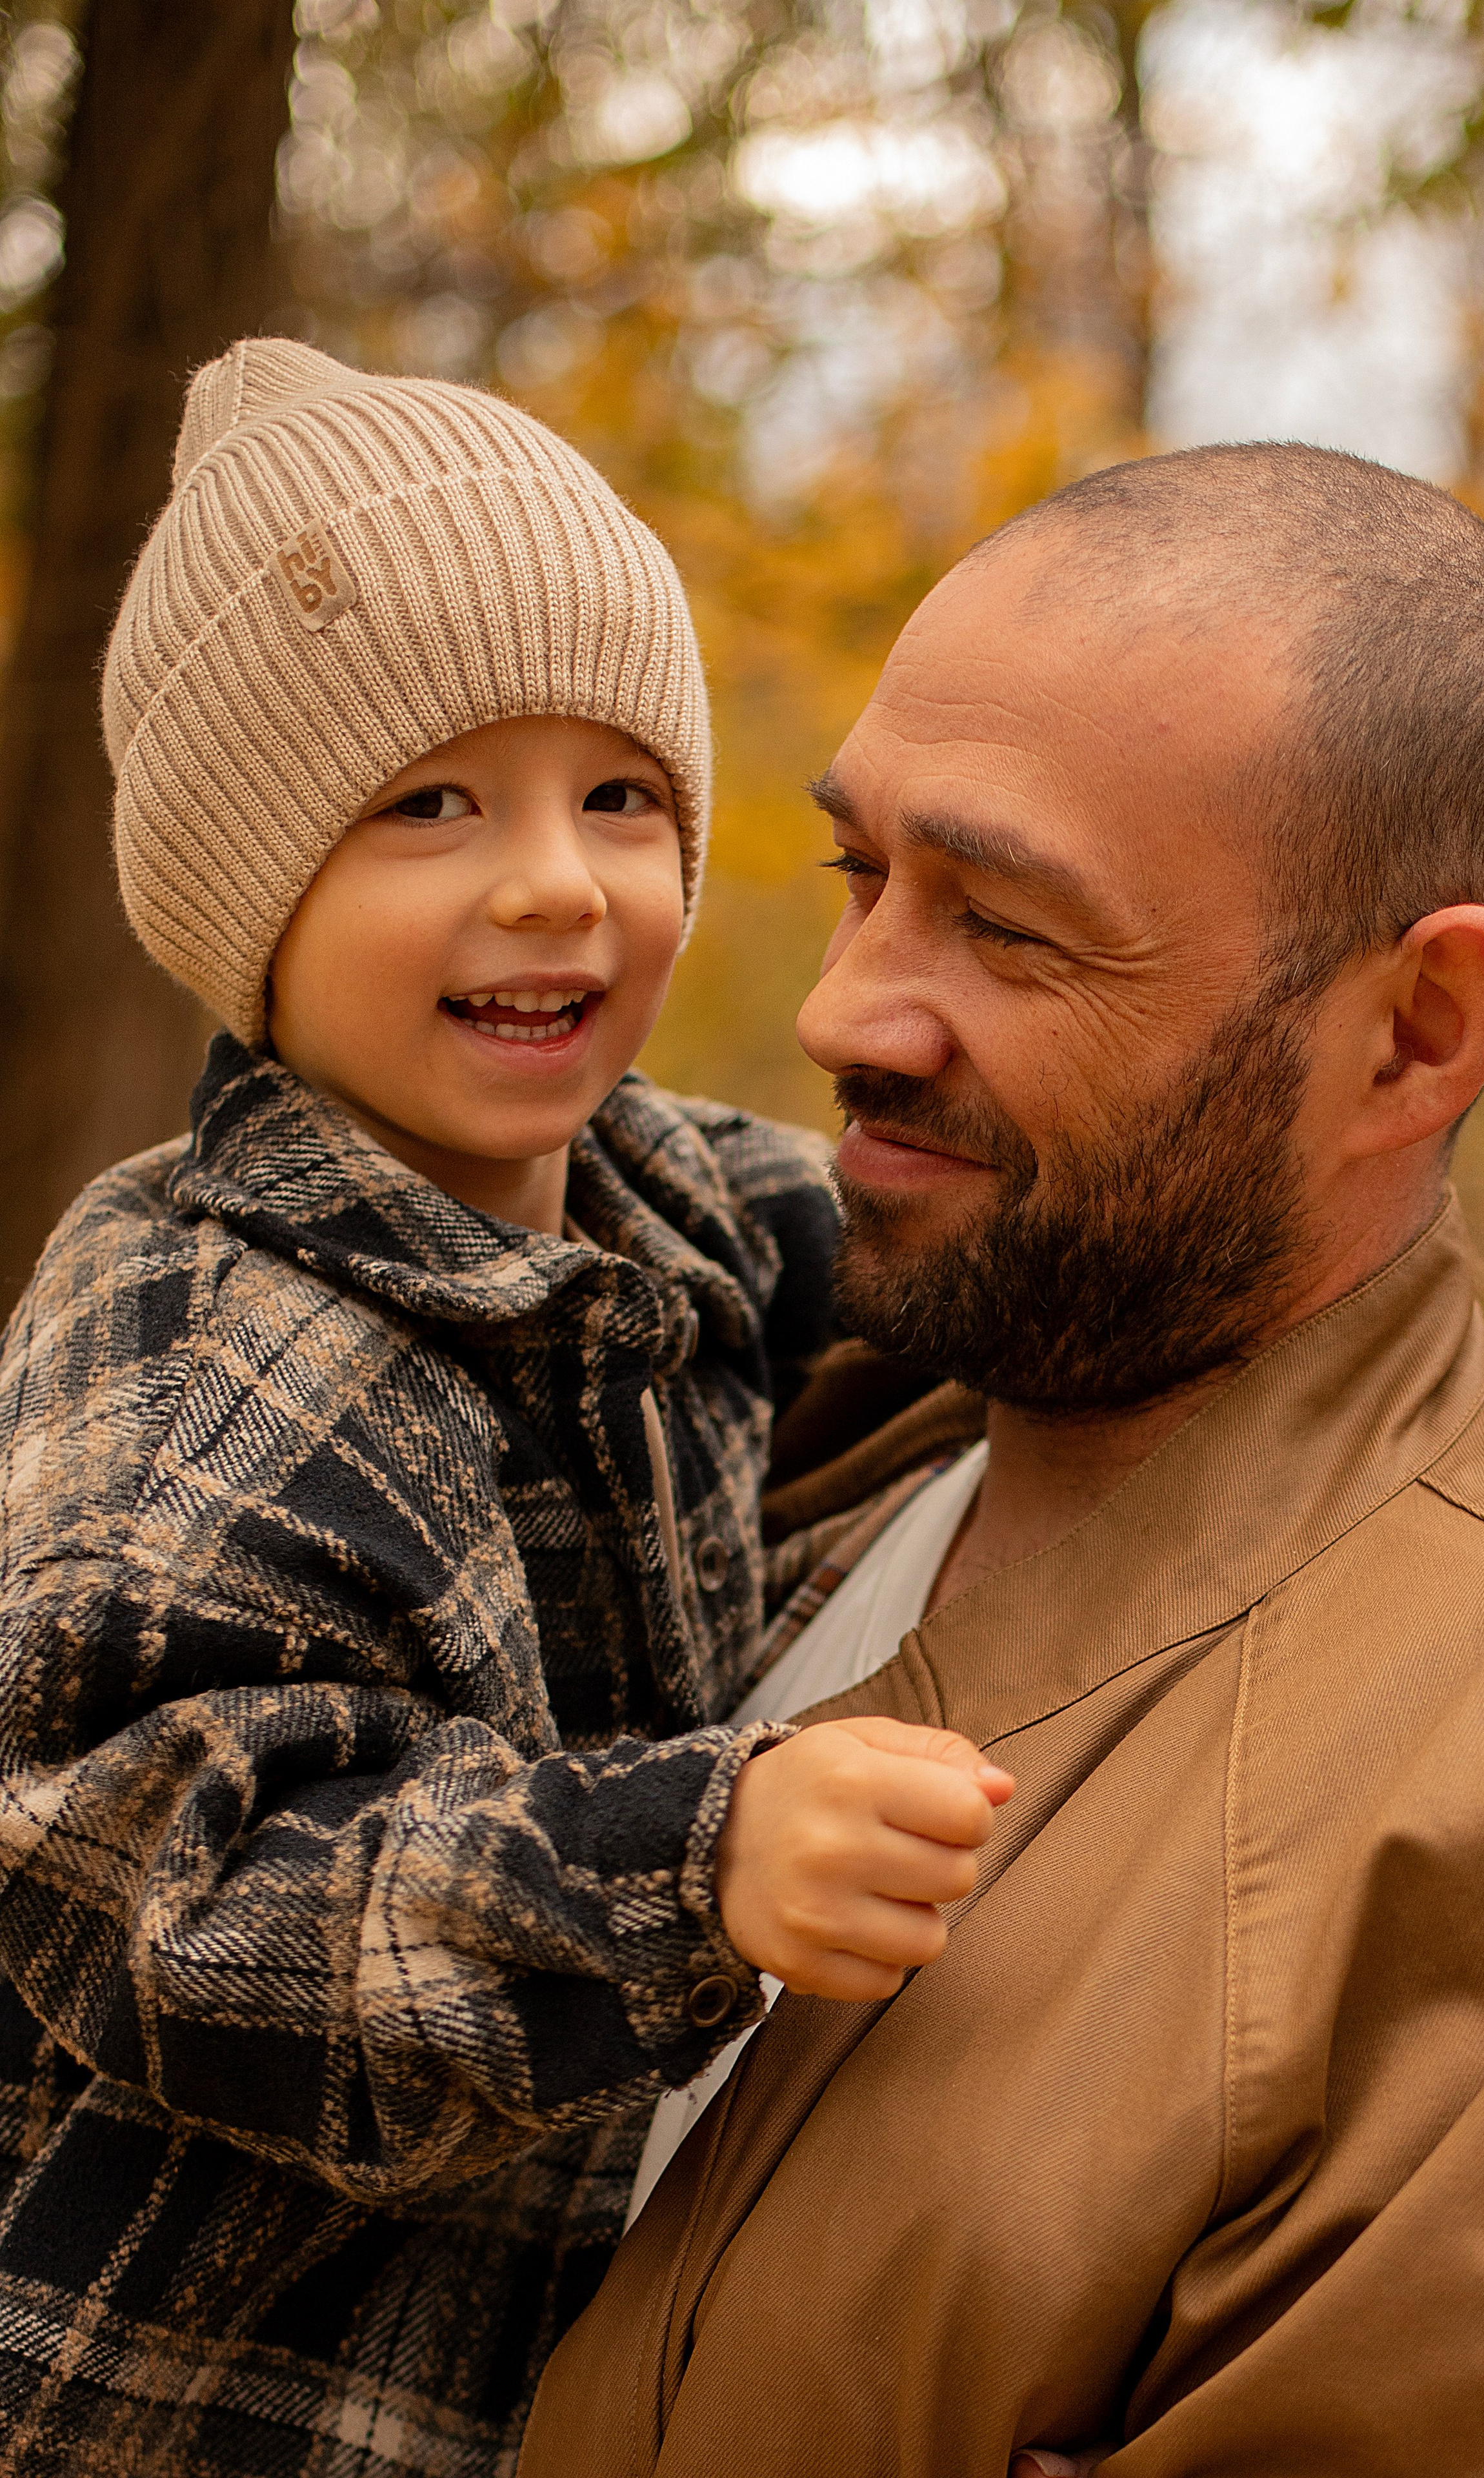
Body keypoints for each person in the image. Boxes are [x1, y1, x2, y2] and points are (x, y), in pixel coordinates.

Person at [523, 443, 1484, 2477]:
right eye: (860, 875)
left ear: (1414, 1033)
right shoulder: (747, 1411)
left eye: (1016, 934)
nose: (852, 1011)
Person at [0, 338, 1011, 2477]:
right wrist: (689, 1862)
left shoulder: (669, 1194)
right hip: (201, 2399)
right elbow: (178, 1895)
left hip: (531, 2352)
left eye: (618, 796)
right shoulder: (199, 1343)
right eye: (430, 806)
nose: (557, 881)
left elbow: (935, 1293)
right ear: (246, 905)